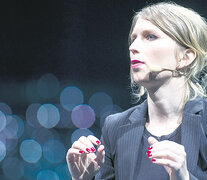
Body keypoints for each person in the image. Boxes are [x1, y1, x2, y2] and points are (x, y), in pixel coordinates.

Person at [66, 2, 207, 180]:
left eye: (150, 36)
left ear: (185, 57)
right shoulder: (115, 127)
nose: (132, 47)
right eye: (134, 38)